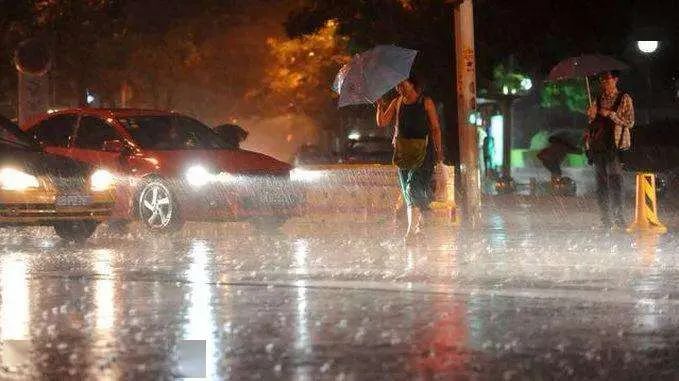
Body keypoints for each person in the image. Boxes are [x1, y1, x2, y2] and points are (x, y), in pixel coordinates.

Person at [376, 77, 444, 243]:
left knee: (412, 187)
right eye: (397, 85)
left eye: (402, 84)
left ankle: (424, 212)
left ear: (412, 84)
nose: (399, 88)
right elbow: (382, 122)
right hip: (403, 153)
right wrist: (379, 105)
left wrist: (439, 153)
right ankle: (412, 231)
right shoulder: (397, 102)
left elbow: (435, 129)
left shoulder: (426, 102)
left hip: (423, 153)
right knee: (408, 194)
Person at [585, 70, 635, 229]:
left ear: (615, 80)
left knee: (615, 182)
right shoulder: (598, 99)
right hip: (599, 146)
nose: (605, 83)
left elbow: (630, 121)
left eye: (607, 79)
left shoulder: (624, 98)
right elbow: (592, 122)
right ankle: (605, 219)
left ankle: (619, 217)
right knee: (601, 184)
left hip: (614, 146)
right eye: (602, 80)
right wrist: (591, 115)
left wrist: (611, 114)